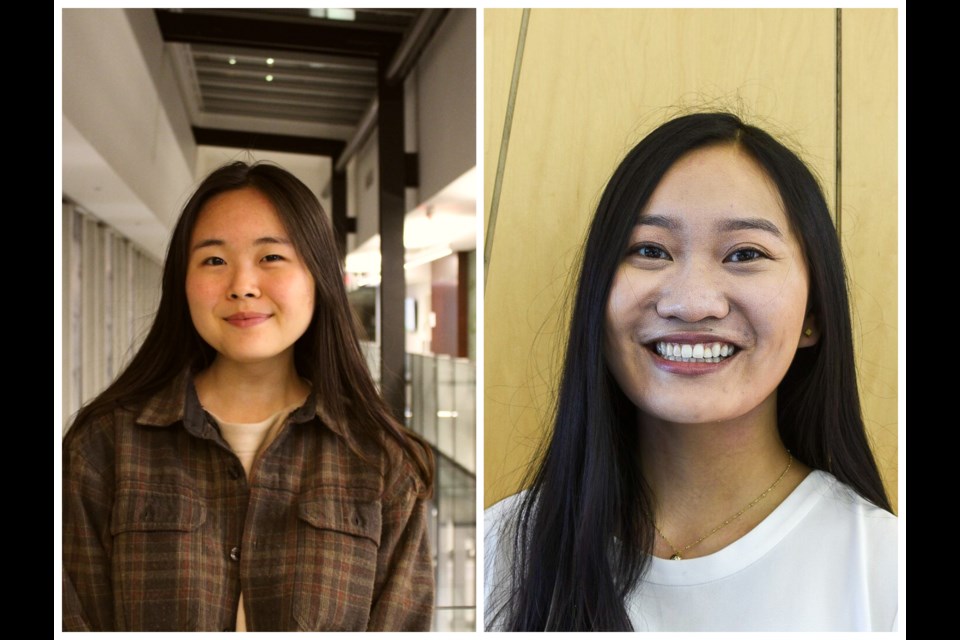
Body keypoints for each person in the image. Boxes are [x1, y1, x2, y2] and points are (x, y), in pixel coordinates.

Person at [484, 112, 897, 631]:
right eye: (649, 250)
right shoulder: (499, 552)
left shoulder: (882, 571)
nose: (692, 303)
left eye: (745, 253)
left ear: (813, 313)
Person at [62, 162, 435, 631]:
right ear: (182, 283)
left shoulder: (382, 462)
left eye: (271, 258)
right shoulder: (103, 448)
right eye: (214, 260)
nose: (241, 285)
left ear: (318, 276)